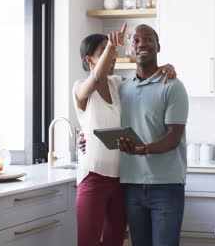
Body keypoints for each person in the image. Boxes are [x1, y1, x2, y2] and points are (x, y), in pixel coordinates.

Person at [72, 22, 177, 246]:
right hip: (93, 177)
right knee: (88, 241)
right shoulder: (80, 87)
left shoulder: (119, 84)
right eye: (105, 53)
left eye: (114, 53)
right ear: (90, 59)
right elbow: (96, 80)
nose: (112, 58)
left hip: (123, 179)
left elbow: (147, 81)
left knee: (114, 240)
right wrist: (112, 44)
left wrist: (166, 67)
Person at [116, 24, 189, 246]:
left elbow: (173, 136)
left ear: (158, 46)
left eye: (148, 39)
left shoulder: (172, 86)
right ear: (130, 49)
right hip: (131, 185)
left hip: (166, 185)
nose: (141, 44)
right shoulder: (122, 88)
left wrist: (143, 149)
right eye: (136, 41)